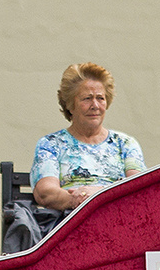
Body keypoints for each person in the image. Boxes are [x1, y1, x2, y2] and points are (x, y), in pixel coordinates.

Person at [31, 62, 146, 212]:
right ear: (70, 105)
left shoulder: (125, 144)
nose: (95, 105)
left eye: (100, 98)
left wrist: (97, 194)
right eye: (87, 98)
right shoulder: (51, 144)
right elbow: (46, 193)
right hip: (71, 222)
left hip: (119, 222)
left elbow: (139, 189)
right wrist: (79, 200)